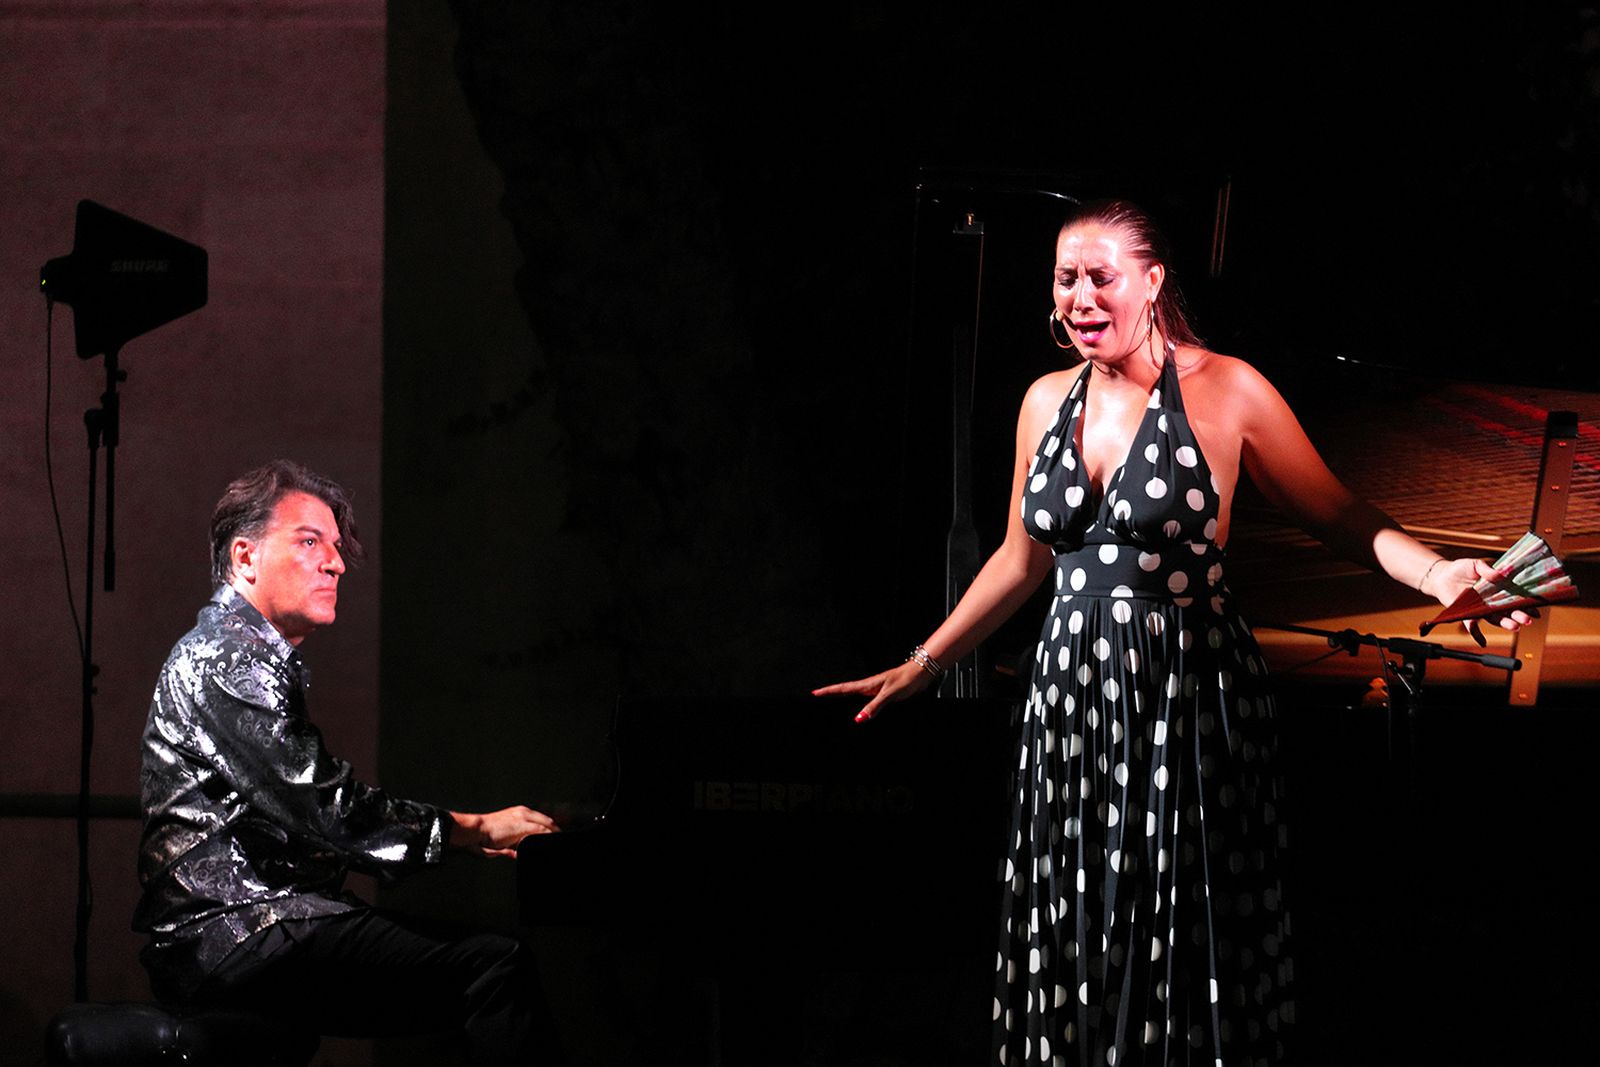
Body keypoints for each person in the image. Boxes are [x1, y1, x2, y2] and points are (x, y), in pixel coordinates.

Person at [814, 199, 1531, 1066]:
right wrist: (925, 661)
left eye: (1100, 277)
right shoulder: (1046, 400)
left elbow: (1341, 515)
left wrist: (1440, 573)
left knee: (1178, 924)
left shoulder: (1230, 389)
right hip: (1070, 705)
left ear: (1152, 282)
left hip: (1185, 702)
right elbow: (1018, 559)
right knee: (1078, 917)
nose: (1079, 297)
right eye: (1065, 277)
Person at [133, 459, 563, 1064]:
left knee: (468, 969)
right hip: (237, 932)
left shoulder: (239, 654)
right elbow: (324, 805)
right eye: (309, 541)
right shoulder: (226, 658)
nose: (335, 562)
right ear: (244, 558)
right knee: (496, 967)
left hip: (258, 928)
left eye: (334, 547)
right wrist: (469, 828)